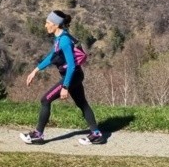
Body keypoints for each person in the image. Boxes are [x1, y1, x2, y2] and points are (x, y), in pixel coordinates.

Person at [20, 10, 105, 146]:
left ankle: (38, 135)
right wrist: (35, 70)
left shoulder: (64, 40)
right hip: (76, 76)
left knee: (45, 100)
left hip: (72, 76)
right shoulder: (60, 38)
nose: (45, 25)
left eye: (47, 23)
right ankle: (96, 134)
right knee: (82, 103)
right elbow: (52, 57)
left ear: (55, 25)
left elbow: (71, 65)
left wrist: (65, 86)